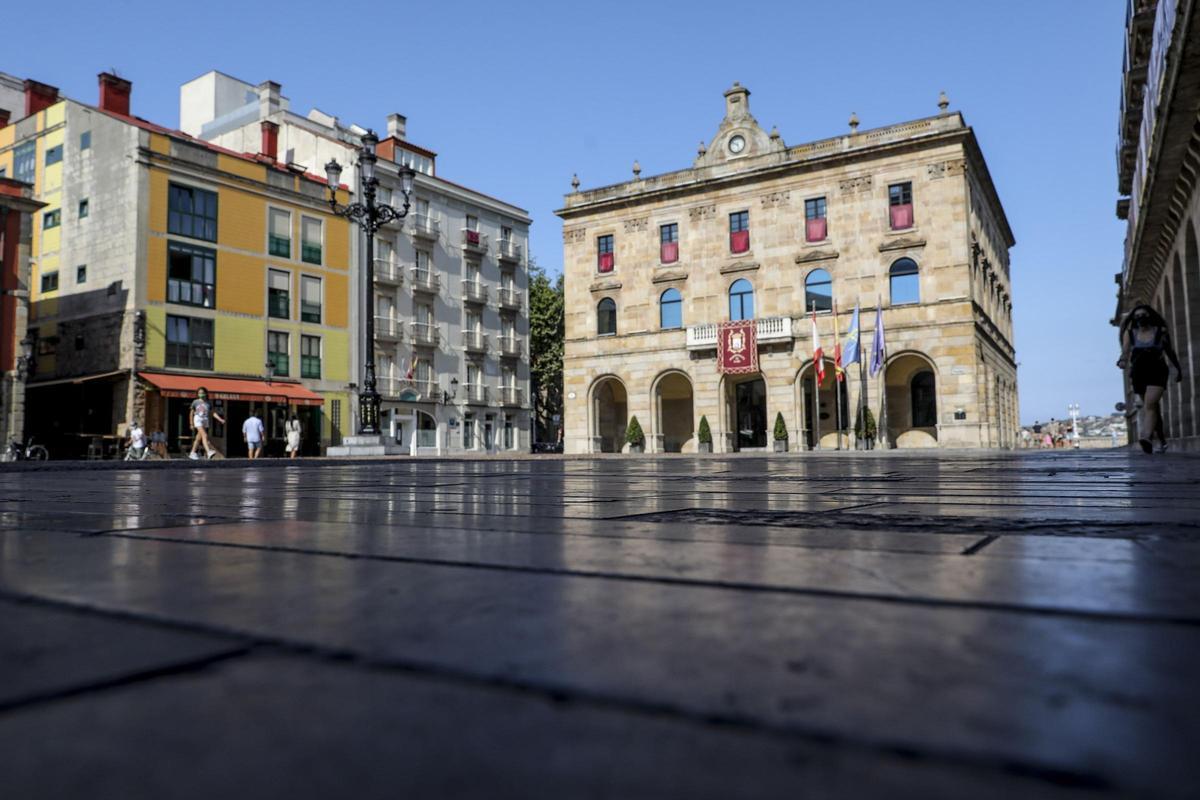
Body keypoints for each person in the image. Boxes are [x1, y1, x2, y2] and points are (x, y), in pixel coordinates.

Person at [1118, 304, 1183, 454]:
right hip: (1139, 373)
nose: (1141, 318)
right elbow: (1126, 350)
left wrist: (1178, 369)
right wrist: (1122, 360)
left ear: (1150, 316)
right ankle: (1161, 439)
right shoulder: (1130, 333)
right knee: (1153, 408)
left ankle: (1146, 437)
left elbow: (1169, 351)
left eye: (1144, 315)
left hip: (1157, 371)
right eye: (1138, 316)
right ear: (1134, 319)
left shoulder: (1160, 332)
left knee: (1150, 404)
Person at [188, 387, 225, 461]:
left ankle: (192, 453)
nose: (201, 394)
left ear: (206, 393)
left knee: (198, 438)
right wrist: (191, 423)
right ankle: (208, 451)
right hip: (198, 419)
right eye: (199, 393)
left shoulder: (209, 403)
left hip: (205, 421)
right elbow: (191, 413)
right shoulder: (195, 402)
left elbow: (213, 413)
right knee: (204, 435)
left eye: (202, 393)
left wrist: (220, 419)